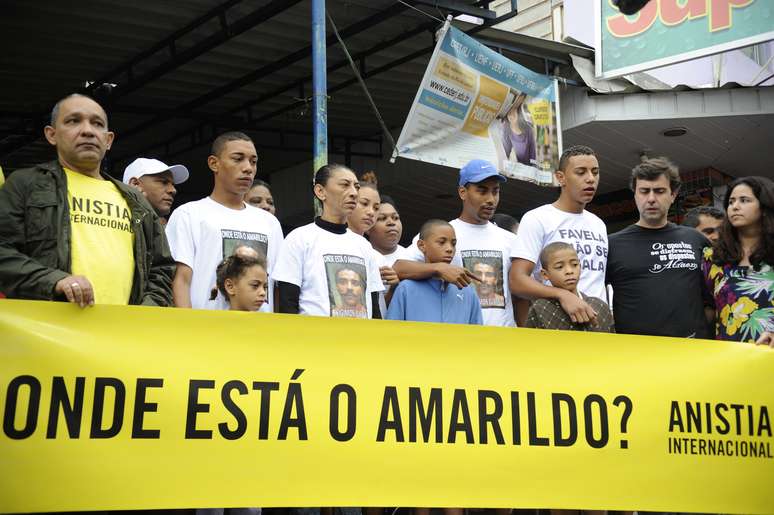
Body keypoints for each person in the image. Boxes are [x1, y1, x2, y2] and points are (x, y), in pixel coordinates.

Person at [0, 93, 173, 306]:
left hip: (123, 333)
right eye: (73, 121)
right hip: (51, 332)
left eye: (97, 123)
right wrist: (55, 281)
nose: (88, 131)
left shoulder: (136, 201)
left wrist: (146, 310)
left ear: (108, 140)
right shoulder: (25, 185)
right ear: (51, 134)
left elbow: (161, 268)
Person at [393, 159, 519, 328]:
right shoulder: (443, 233)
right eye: (482, 191)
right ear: (462, 192)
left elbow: (520, 297)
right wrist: (439, 268)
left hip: (503, 343)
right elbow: (399, 268)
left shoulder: (510, 240)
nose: (491, 199)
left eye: (495, 191)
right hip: (461, 342)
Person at [166, 131, 283, 310]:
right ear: (214, 163)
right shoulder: (189, 214)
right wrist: (187, 330)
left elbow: (276, 285)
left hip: (261, 332)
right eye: (238, 159)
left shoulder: (270, 223)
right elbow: (180, 280)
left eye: (253, 161)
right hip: (207, 331)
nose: (248, 168)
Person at [606, 157, 712, 339]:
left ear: (673, 194)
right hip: (638, 354)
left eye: (660, 191)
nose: (651, 199)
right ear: (635, 195)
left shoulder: (695, 240)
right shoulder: (611, 244)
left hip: (693, 349)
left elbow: (714, 297)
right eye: (644, 191)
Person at [510, 145, 608, 327]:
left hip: (597, 321)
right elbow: (517, 281)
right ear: (560, 177)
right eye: (581, 172)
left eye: (595, 172)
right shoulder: (537, 218)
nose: (590, 179)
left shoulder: (598, 224)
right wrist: (562, 295)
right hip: (555, 321)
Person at [272, 164, 385, 318]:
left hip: (359, 340)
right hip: (315, 339)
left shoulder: (363, 245)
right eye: (345, 185)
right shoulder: (299, 238)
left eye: (356, 187)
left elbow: (374, 306)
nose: (353, 193)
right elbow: (287, 302)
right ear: (320, 191)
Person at [702, 176, 774, 345]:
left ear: (764, 207)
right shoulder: (712, 257)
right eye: (731, 201)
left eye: (744, 200)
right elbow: (706, 307)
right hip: (729, 358)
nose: (735, 206)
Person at [388, 220, 482, 324]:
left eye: (453, 244)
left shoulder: (467, 291)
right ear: (421, 246)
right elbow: (391, 331)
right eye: (441, 242)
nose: (449, 249)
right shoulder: (406, 288)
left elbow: (478, 335)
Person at [524, 242, 614, 332]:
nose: (569, 271)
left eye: (574, 265)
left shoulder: (600, 306)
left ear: (580, 266)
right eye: (559, 267)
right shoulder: (540, 308)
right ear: (545, 274)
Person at [123, 157, 189, 222]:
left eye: (173, 185)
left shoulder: (163, 229)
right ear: (135, 184)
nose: (173, 190)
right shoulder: (115, 221)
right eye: (164, 182)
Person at [499, 92, 536, 166]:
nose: (511, 113)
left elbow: (533, 159)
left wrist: (515, 125)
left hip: (527, 171)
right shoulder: (505, 127)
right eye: (510, 109)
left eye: (515, 108)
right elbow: (505, 155)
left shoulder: (528, 130)